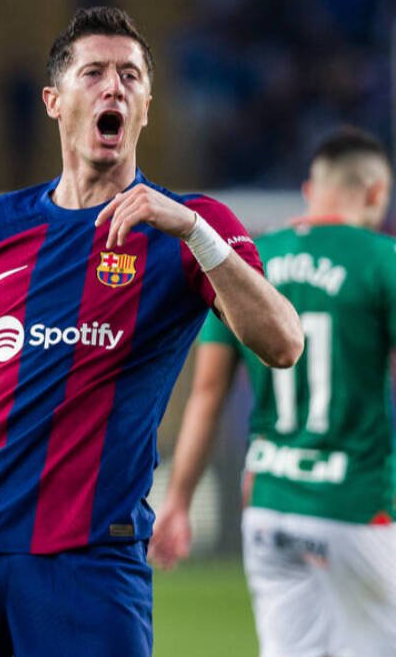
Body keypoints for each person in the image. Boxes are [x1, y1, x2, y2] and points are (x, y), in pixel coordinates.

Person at [0, 6, 303, 656]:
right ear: (54, 101)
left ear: (147, 105)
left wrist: (193, 232)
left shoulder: (191, 227)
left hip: (90, 559)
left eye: (130, 76)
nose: (113, 87)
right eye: (93, 72)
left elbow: (282, 341)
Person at [151, 127, 396, 657]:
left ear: (311, 191)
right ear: (376, 193)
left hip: (269, 509)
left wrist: (177, 501)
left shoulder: (247, 265)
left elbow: (207, 395)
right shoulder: (383, 261)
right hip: (357, 504)